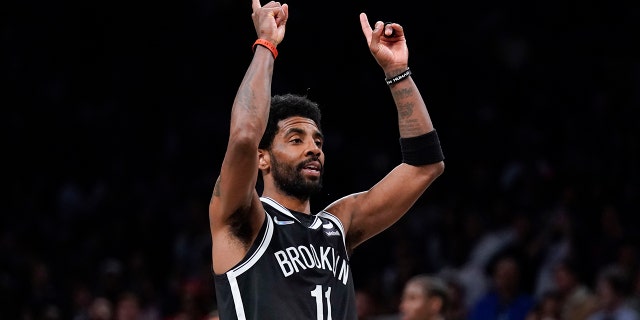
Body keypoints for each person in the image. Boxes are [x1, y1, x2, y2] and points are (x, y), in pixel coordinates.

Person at [208, 0, 445, 319]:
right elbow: (244, 137)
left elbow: (424, 166)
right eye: (296, 139)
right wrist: (266, 44)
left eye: (318, 141)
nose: (313, 148)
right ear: (262, 159)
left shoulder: (338, 225)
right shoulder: (245, 218)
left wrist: (397, 71)